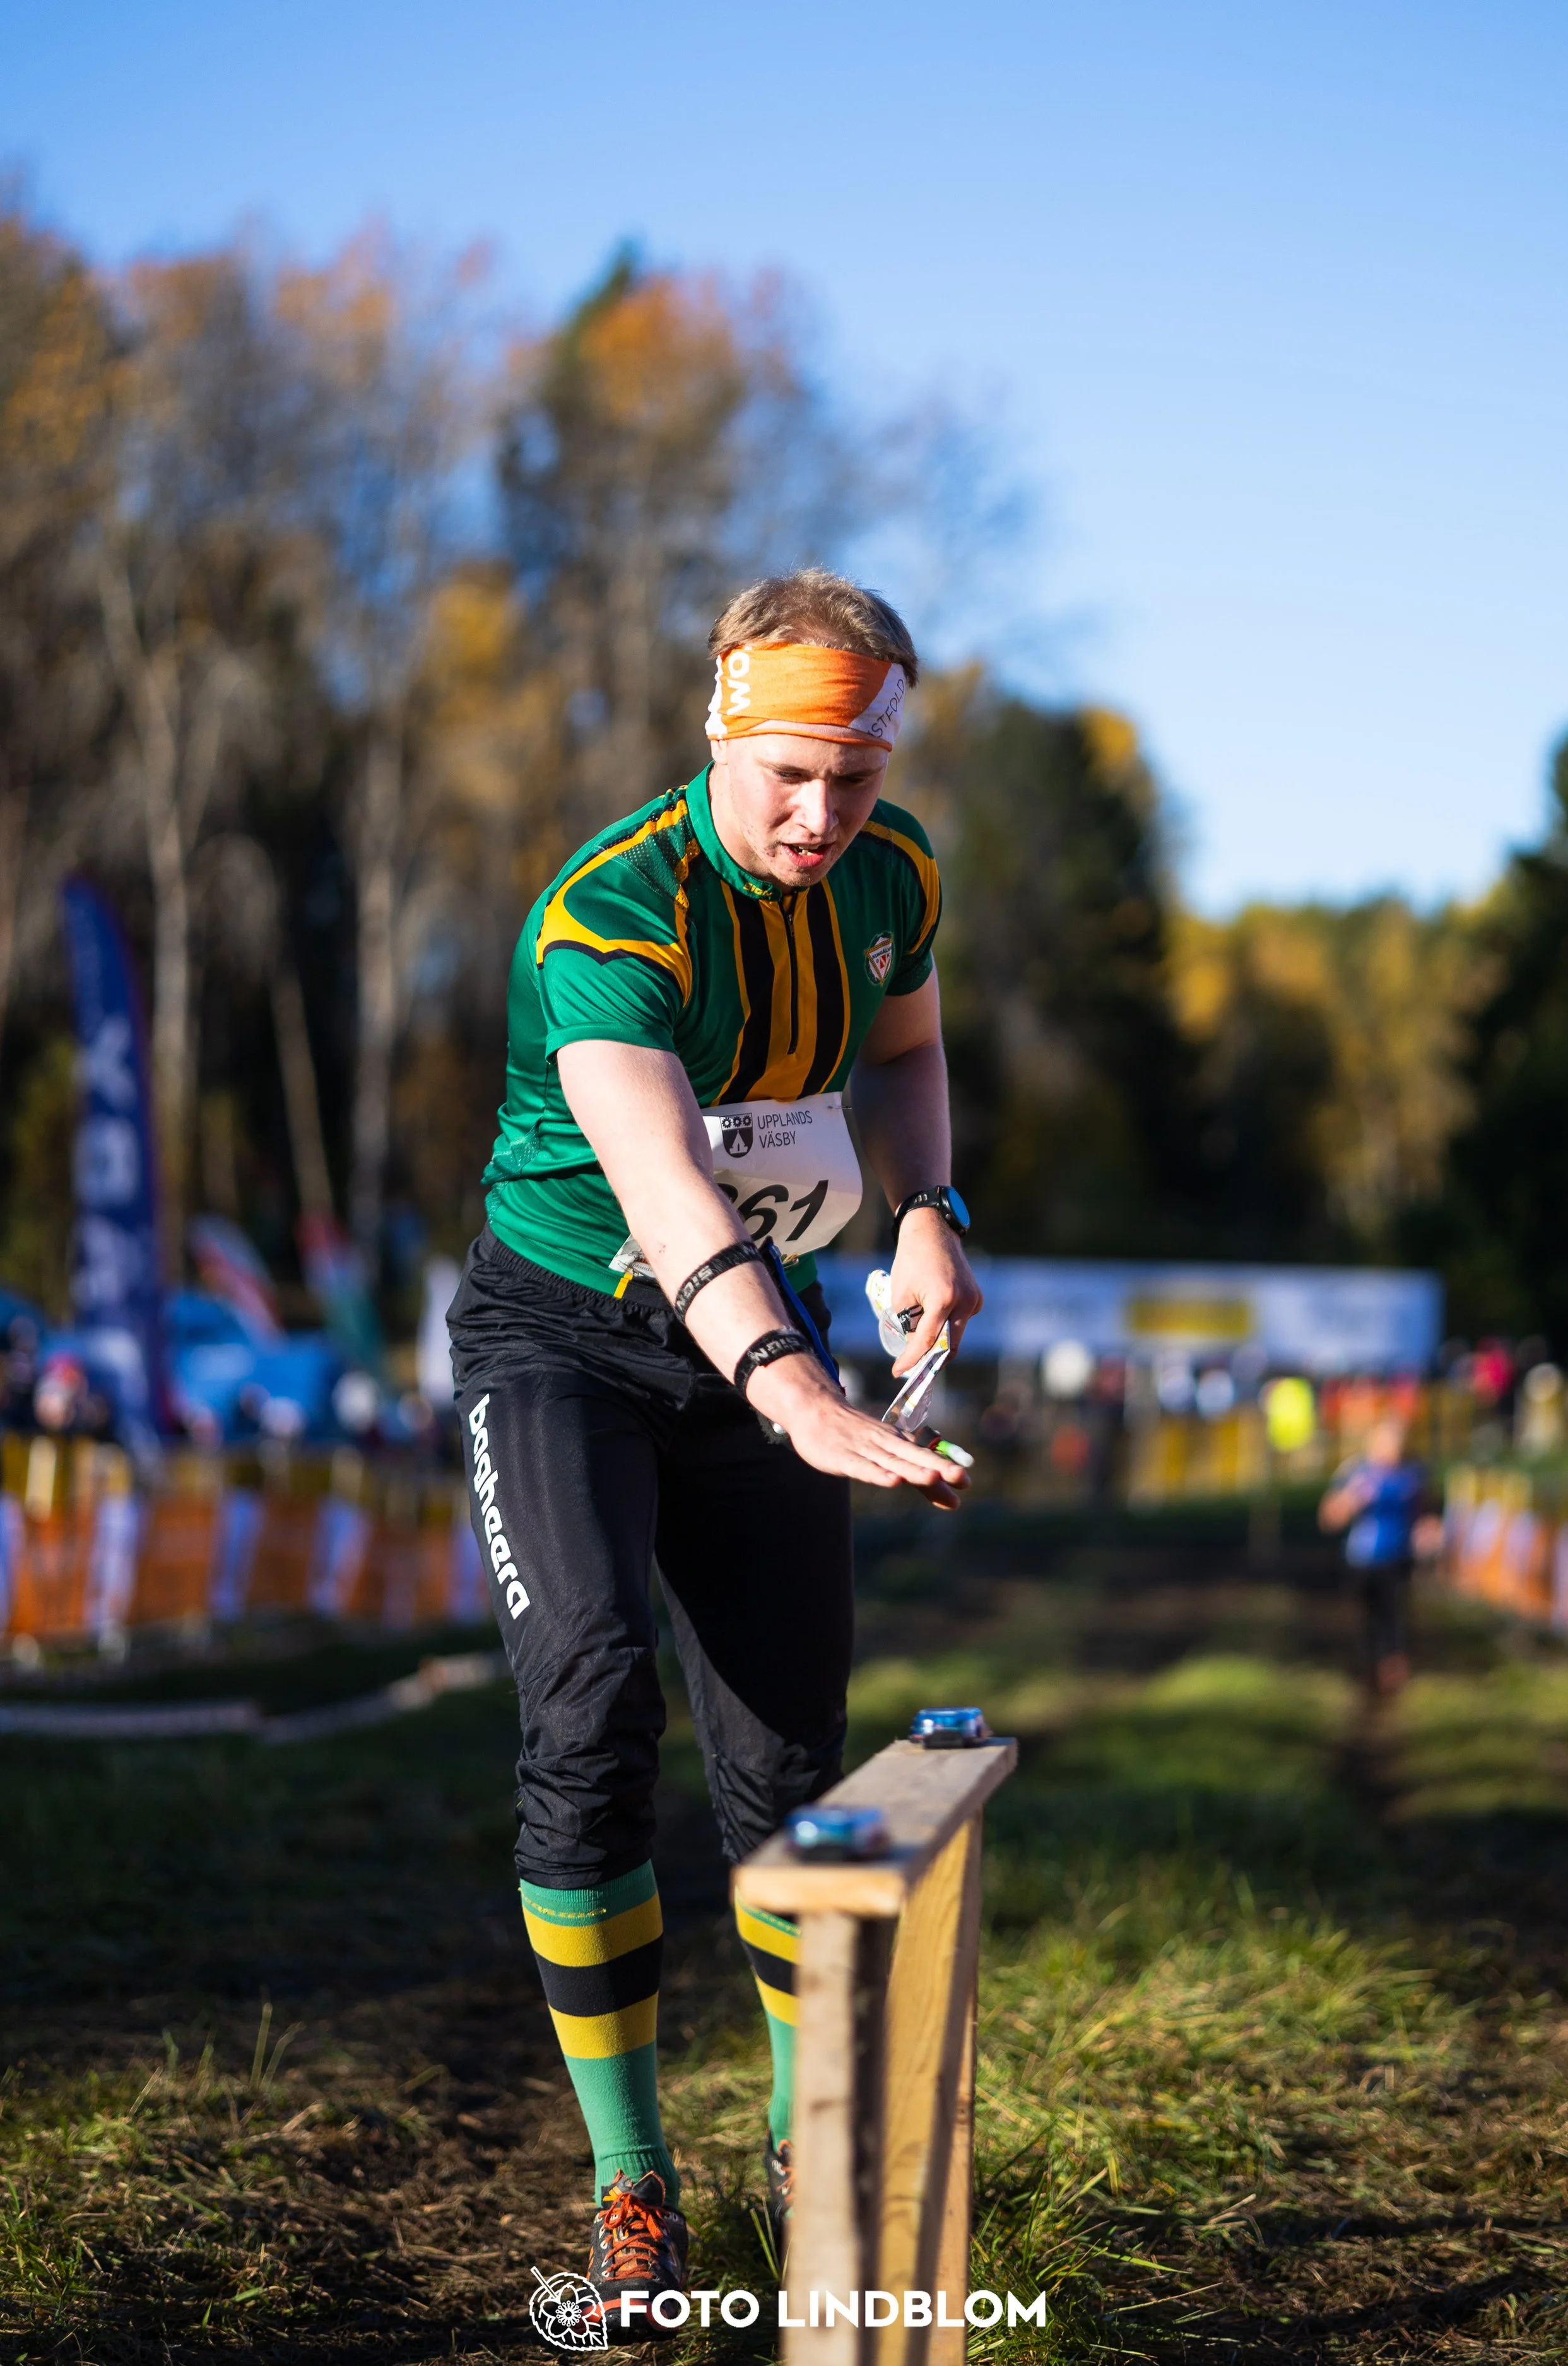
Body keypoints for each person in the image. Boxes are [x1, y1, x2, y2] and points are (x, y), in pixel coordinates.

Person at [446, 568, 981, 2339]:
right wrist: (792, 1385)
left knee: (785, 1766)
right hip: (572, 1343)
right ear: (718, 732)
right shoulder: (611, 913)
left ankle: (793, 2139)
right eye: (788, 774)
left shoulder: (892, 881)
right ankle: (630, 2173)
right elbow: (673, 1193)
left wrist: (924, 1210)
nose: (823, 814)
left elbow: (900, 1050)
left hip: (765, 1347)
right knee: (593, 1709)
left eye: (858, 773)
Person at [1318, 1413, 1441, 1695]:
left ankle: (1394, 1672)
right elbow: (1328, 1517)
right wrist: (1350, 1501)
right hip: (1362, 1558)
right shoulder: (1356, 1473)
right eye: (1387, 1441)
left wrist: (1430, 1530)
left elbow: (1430, 1510)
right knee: (1370, 1614)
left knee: (1396, 1613)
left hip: (1400, 1556)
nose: (1393, 1449)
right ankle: (1369, 1669)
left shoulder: (1415, 1473)